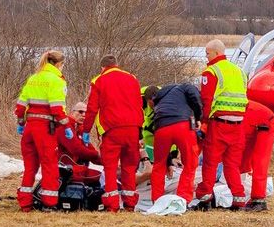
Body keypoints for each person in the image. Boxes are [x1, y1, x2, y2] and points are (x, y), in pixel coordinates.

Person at [81, 55, 144, 212]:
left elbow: (92, 109)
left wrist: (86, 131)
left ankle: (112, 205)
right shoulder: (132, 78)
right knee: (129, 167)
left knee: (110, 168)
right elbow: (139, 105)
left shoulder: (98, 81)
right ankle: (130, 204)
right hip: (133, 129)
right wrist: (140, 132)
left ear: (102, 68)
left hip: (112, 130)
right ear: (117, 65)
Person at [194, 39, 249, 209]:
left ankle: (205, 198)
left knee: (210, 162)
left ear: (216, 53)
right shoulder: (239, 71)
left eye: (207, 53)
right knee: (232, 165)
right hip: (239, 125)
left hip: (219, 124)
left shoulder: (211, 72)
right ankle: (239, 199)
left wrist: (203, 122)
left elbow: (206, 100)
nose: (206, 57)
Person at [14, 50, 70, 211]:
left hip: (30, 127)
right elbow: (57, 108)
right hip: (45, 129)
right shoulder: (56, 80)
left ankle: (25, 203)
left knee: (30, 166)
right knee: (49, 165)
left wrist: (20, 121)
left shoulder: (33, 78)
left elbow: (21, 105)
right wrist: (66, 126)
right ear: (59, 64)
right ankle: (49, 203)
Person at [143, 83, 202, 204]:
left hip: (161, 128)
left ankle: (157, 200)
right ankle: (183, 199)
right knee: (190, 163)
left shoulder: (160, 100)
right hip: (183, 125)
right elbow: (195, 96)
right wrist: (198, 117)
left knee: (159, 165)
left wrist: (168, 160)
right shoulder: (184, 87)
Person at [239, 100, 274, 212]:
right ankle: (247, 193)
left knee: (259, 160)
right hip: (252, 122)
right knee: (243, 158)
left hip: (266, 123)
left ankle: (259, 199)